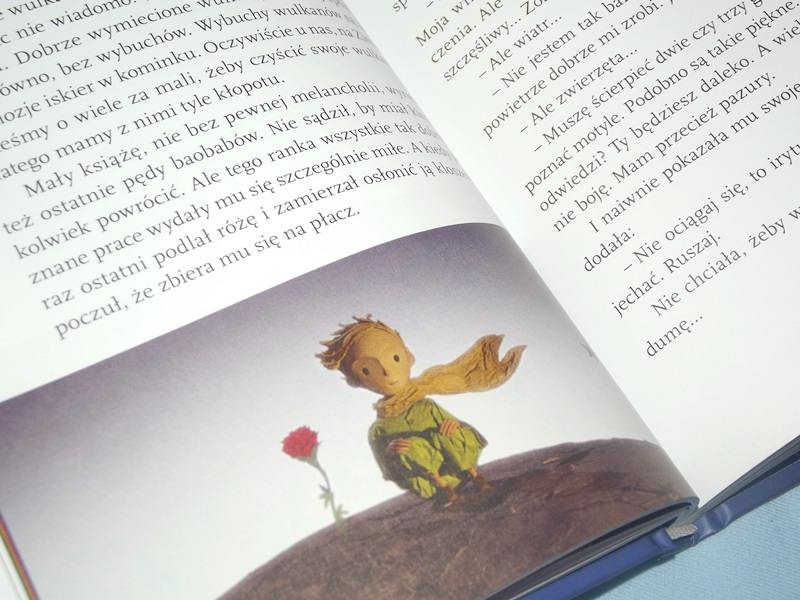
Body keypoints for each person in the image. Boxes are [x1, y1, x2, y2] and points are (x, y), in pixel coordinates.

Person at [318, 316, 524, 506]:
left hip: (457, 467)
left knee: (449, 431)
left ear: (408, 357)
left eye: (395, 358)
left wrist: (455, 428)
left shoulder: (427, 406)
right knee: (407, 447)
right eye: (366, 370)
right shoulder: (378, 430)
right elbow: (388, 472)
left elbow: (468, 435)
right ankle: (444, 490)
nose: (387, 372)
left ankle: (475, 477)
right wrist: (390, 455)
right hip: (428, 483)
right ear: (354, 381)